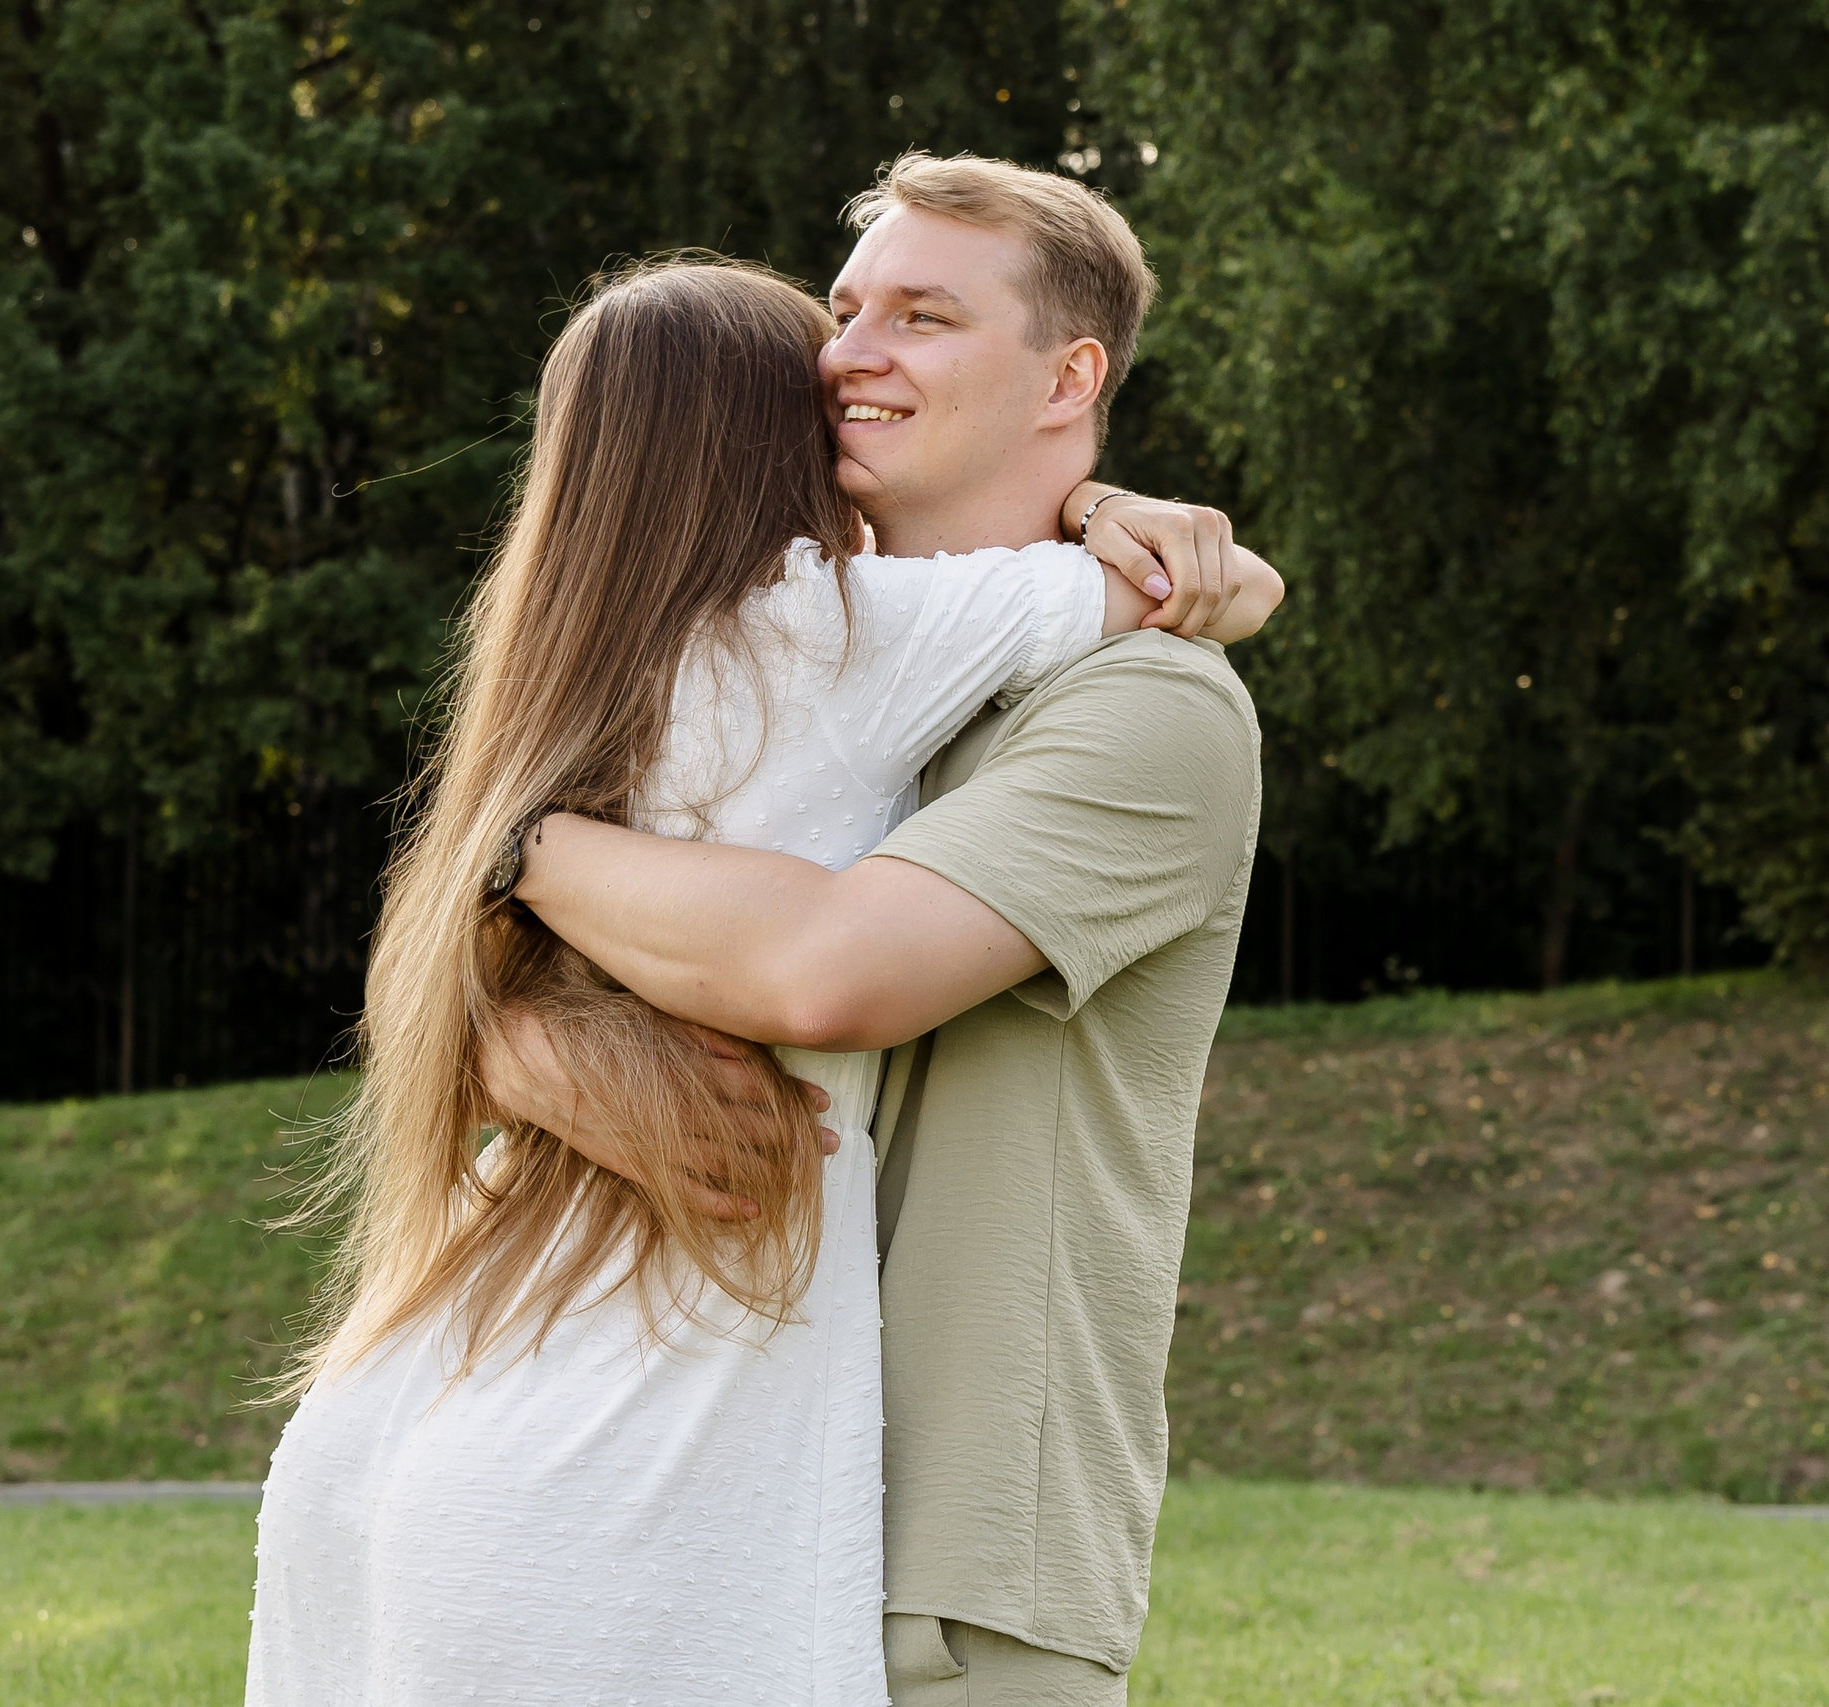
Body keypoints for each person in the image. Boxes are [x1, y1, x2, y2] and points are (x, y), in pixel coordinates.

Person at [245, 244, 1278, 1702]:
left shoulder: (1135, 711)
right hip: (673, 1468)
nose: (854, 351)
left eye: (921, 315)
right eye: (842, 316)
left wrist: (510, 844)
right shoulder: (830, 637)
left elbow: (820, 968)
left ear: (1072, 375)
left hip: (929, 1546)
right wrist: (518, 1031)